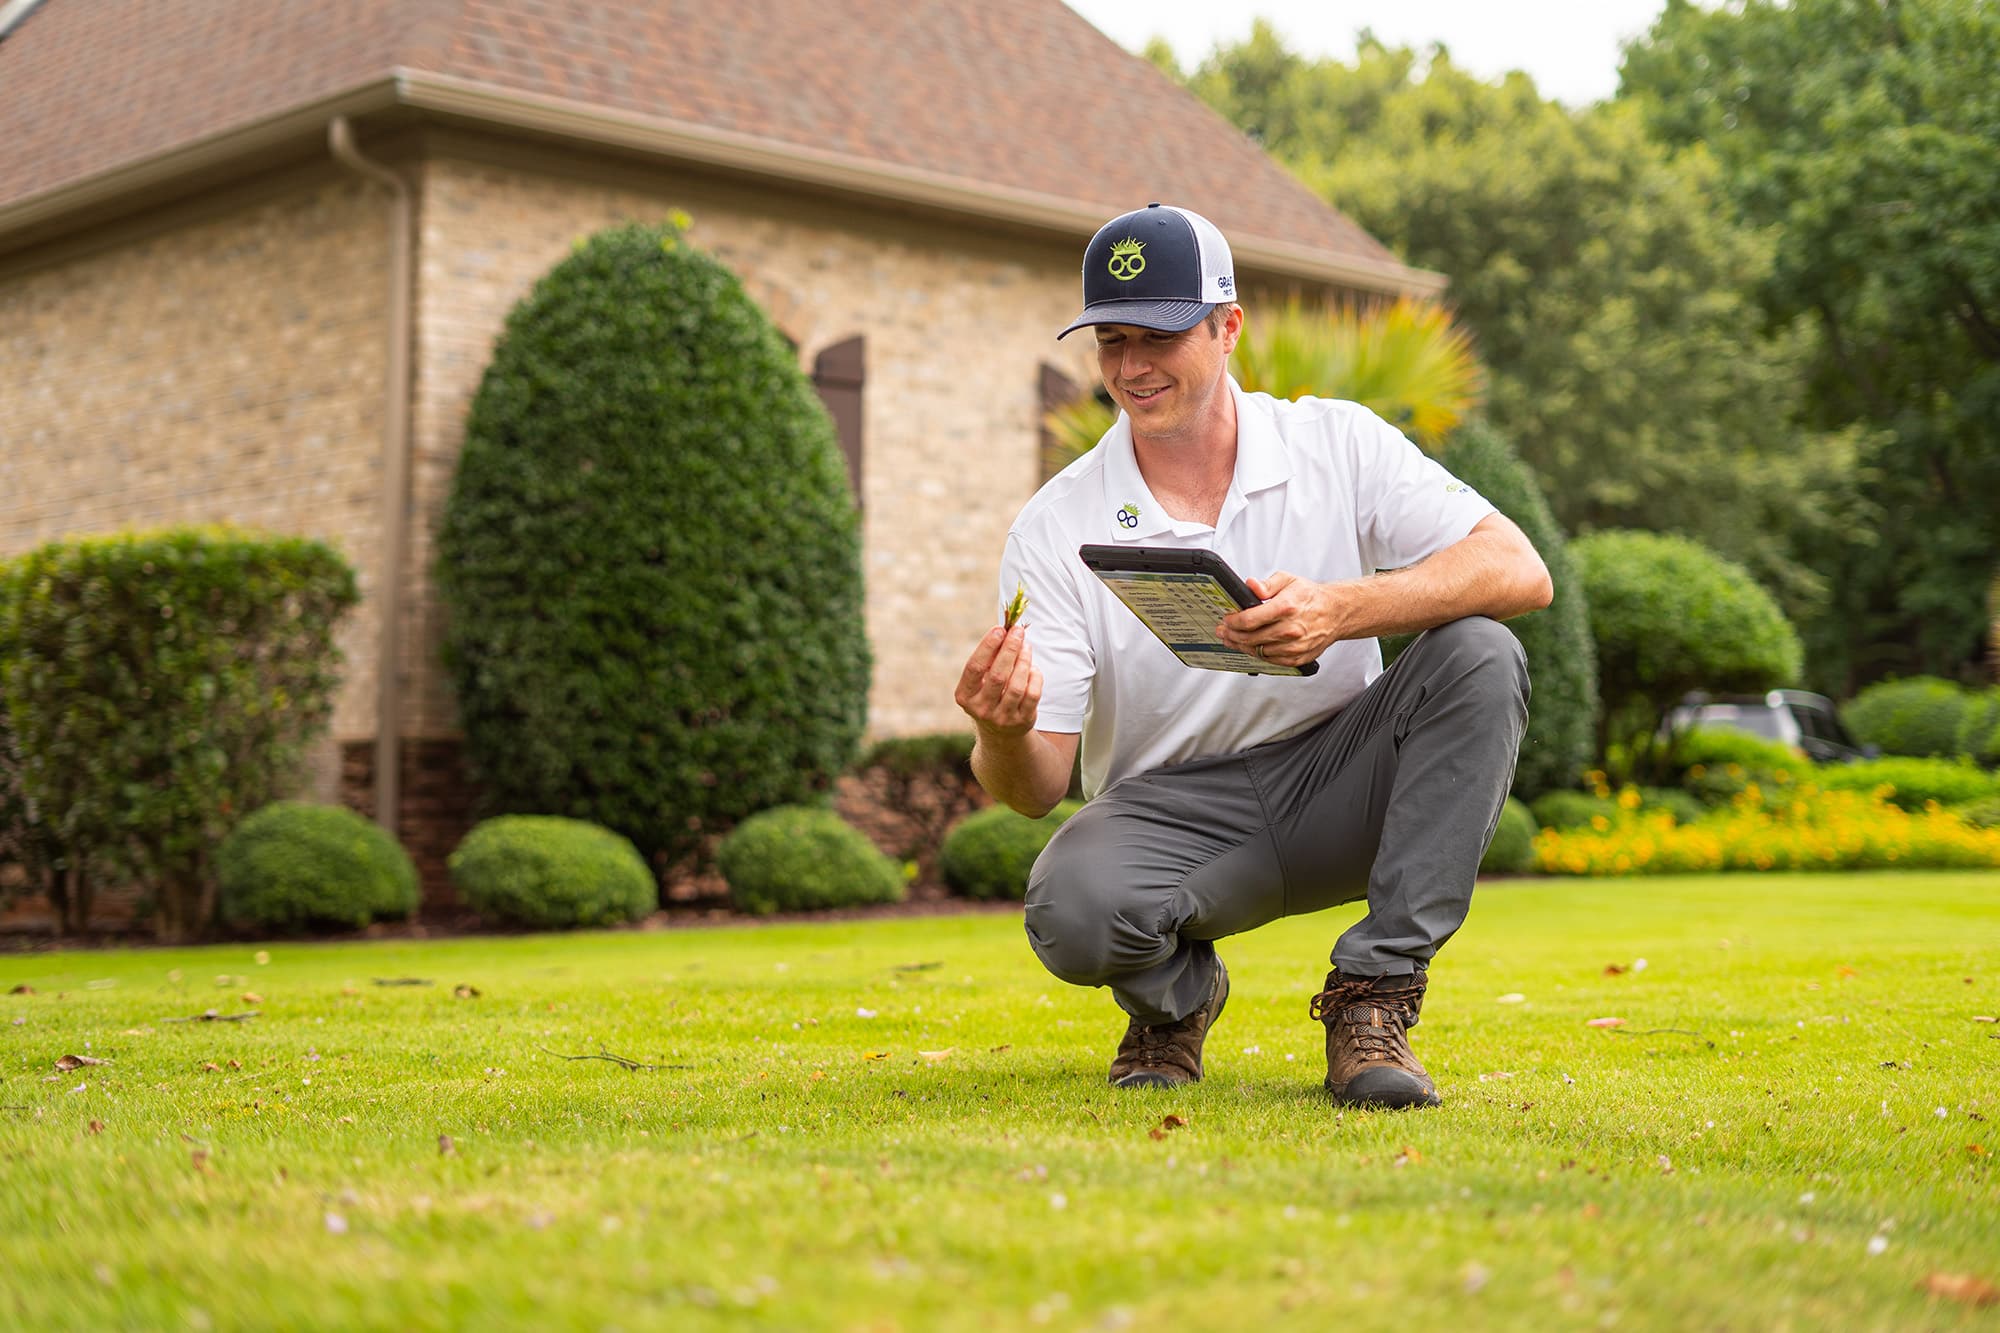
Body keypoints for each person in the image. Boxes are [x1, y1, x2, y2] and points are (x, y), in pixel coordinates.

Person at [953, 203, 1552, 1108]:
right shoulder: (1055, 524)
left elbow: (1520, 567)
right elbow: (1035, 787)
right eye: (1110, 340)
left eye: (1158, 333)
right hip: (1176, 818)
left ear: (1228, 326)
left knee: (1481, 653)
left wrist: (1343, 609)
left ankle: (1372, 1000)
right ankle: (1174, 1003)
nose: (1131, 367)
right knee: (1070, 906)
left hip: (1342, 780)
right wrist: (1000, 731)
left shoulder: (1337, 442)